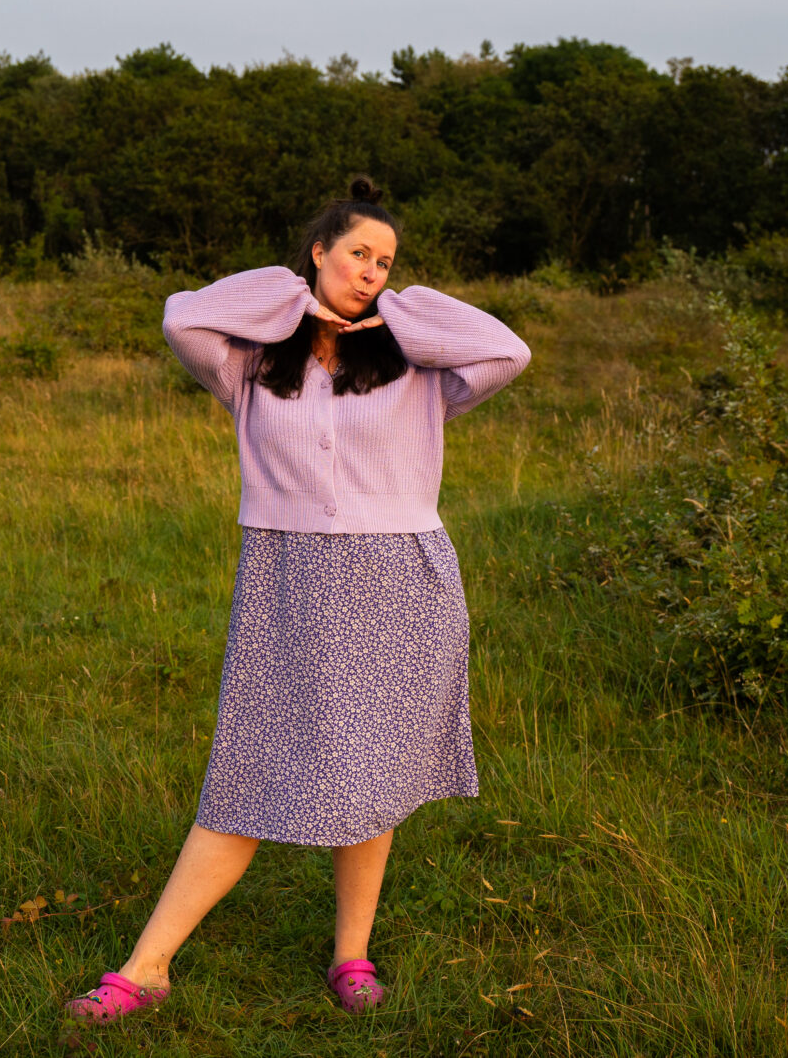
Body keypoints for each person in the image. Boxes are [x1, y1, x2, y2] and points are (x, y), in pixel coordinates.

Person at [65, 177, 532, 1024]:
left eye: (385, 262)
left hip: (400, 582)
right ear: (318, 252)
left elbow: (507, 348)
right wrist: (294, 302)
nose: (372, 272)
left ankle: (351, 954)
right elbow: (182, 315)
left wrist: (399, 311)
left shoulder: (415, 366)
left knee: (373, 773)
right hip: (288, 582)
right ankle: (148, 965)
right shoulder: (251, 362)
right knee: (246, 772)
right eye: (357, 253)